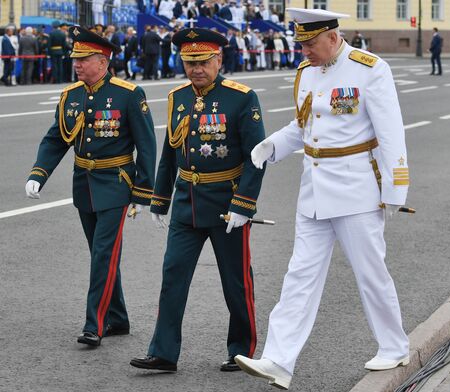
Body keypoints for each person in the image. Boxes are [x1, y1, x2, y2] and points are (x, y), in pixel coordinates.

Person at [234, 8, 410, 390]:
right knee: (299, 276)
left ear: (333, 37)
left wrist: (396, 189)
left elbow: (391, 131)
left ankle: (394, 345)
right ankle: (279, 360)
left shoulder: (369, 69)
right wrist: (270, 146)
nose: (305, 51)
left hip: (357, 190)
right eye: (301, 44)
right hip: (313, 191)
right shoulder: (306, 73)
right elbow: (303, 127)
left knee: (370, 274)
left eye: (311, 44)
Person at [129, 27, 265, 373]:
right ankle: (163, 352)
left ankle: (241, 349)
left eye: (203, 62)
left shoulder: (242, 98)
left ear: (219, 59)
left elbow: (255, 158)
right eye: (190, 62)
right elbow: (170, 153)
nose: (196, 69)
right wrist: (159, 200)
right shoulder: (178, 97)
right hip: (187, 203)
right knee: (172, 276)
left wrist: (243, 205)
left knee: (236, 282)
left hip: (226, 205)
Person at [25, 26, 156, 347]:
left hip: (116, 184)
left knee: (102, 255)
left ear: (103, 61)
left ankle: (93, 324)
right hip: (83, 184)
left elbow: (147, 146)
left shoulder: (128, 94)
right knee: (102, 255)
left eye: (83, 59)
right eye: (75, 59)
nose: (77, 65)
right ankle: (118, 318)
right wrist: (38, 173)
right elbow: (56, 138)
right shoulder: (71, 95)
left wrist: (142, 192)